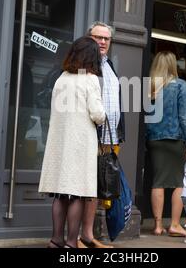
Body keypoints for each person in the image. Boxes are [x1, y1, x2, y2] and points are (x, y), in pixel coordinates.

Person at [38, 36, 106, 248]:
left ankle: (56, 240)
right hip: (80, 143)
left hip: (59, 142)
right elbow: (98, 114)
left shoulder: (61, 78)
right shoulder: (90, 79)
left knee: (60, 193)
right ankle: (70, 243)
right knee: (76, 193)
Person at [78, 21, 124, 249]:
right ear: (89, 38)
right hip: (89, 136)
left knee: (97, 189)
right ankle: (74, 237)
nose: (103, 42)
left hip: (109, 138)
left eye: (106, 38)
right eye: (99, 37)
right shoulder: (84, 66)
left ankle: (88, 236)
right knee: (82, 188)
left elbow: (115, 103)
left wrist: (118, 134)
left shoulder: (109, 65)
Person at [145, 51, 186, 237]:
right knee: (178, 183)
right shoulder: (180, 85)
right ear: (173, 64)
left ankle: (158, 226)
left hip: (154, 139)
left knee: (158, 181)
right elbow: (184, 115)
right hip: (174, 139)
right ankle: (174, 224)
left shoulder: (148, 86)